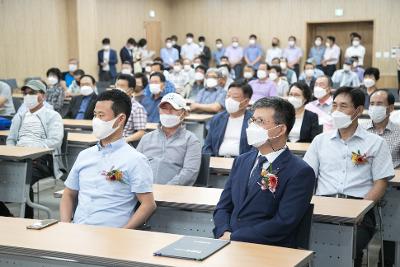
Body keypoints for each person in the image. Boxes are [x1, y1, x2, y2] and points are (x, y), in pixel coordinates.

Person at [304, 86, 395, 267]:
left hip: (358, 210)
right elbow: (306, 177)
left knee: (348, 248)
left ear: (359, 111)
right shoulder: (320, 141)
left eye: (343, 106)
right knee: (307, 245)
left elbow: (381, 182)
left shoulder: (376, 143)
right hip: (323, 206)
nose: (337, 111)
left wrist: (359, 210)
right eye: (334, 106)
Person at [213, 97, 315, 247]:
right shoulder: (241, 160)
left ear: (280, 129)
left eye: (260, 121)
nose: (252, 126)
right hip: (228, 242)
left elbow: (283, 222)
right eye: (252, 121)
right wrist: (223, 232)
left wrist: (235, 237)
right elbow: (223, 206)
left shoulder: (300, 171)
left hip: (267, 247)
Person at [60, 89, 156, 228]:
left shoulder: (135, 159)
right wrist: (66, 226)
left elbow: (148, 205)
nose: (96, 121)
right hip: (78, 232)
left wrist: (122, 233)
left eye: (101, 115)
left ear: (120, 119)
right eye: (94, 115)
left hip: (111, 236)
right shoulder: (85, 155)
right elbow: (68, 194)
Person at [7, 80, 64, 218]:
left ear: (42, 96)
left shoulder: (52, 116)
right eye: (25, 93)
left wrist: (32, 153)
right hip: (18, 156)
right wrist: (13, 153)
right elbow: (11, 139)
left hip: (41, 159)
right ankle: (7, 216)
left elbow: (54, 141)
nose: (28, 96)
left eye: (32, 93)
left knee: (23, 178)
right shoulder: (19, 116)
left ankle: (26, 218)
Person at [137, 93, 201, 185]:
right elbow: (135, 166)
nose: (167, 112)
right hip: (143, 192)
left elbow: (189, 172)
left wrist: (166, 189)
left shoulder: (191, 140)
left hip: (172, 193)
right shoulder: (146, 138)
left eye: (173, 109)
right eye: (164, 109)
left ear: (183, 113)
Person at [203, 82, 253, 157]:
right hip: (217, 161)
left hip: (241, 163)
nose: (230, 100)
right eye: (228, 96)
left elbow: (255, 149)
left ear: (246, 102)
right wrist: (210, 160)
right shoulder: (217, 119)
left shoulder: (254, 121)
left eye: (235, 97)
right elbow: (207, 146)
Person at [365, 90, 400, 168]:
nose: (374, 107)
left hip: (391, 178)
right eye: (372, 104)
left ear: (390, 108)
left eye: (379, 104)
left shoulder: (398, 133)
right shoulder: (359, 130)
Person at [115, 74, 147, 144]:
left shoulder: (137, 108)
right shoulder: (110, 105)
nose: (118, 88)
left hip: (124, 144)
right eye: (117, 85)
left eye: (122, 86)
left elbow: (141, 132)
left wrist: (125, 140)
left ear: (131, 90)